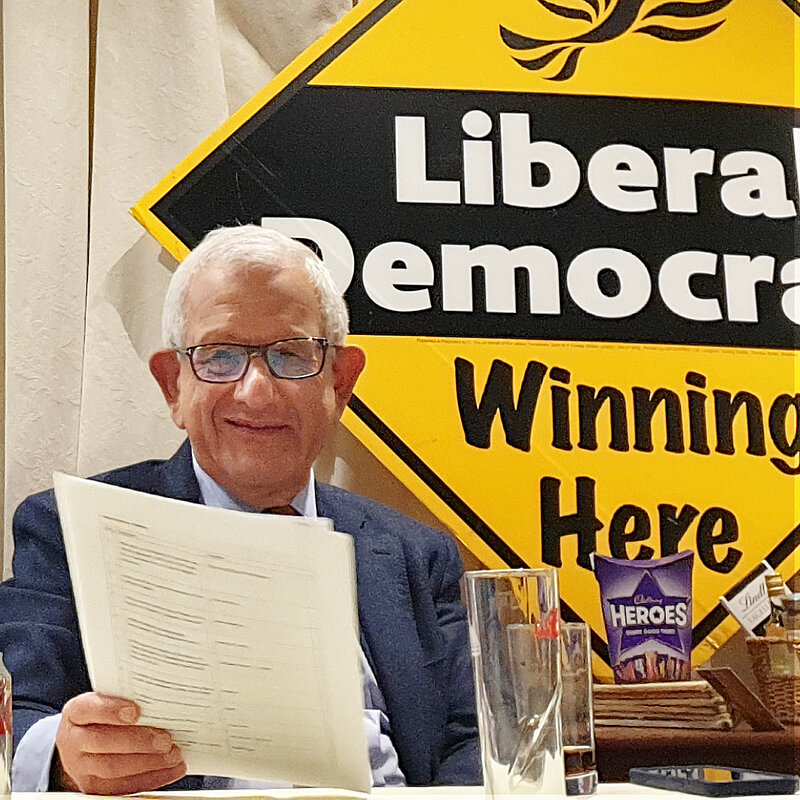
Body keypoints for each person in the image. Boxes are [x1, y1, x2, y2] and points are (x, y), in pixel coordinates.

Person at [0, 225, 481, 795]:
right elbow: (22, 716)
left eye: (290, 355)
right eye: (221, 356)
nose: (256, 391)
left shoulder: (415, 554)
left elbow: (473, 738)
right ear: (173, 385)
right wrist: (65, 753)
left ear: (341, 381)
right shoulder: (73, 530)